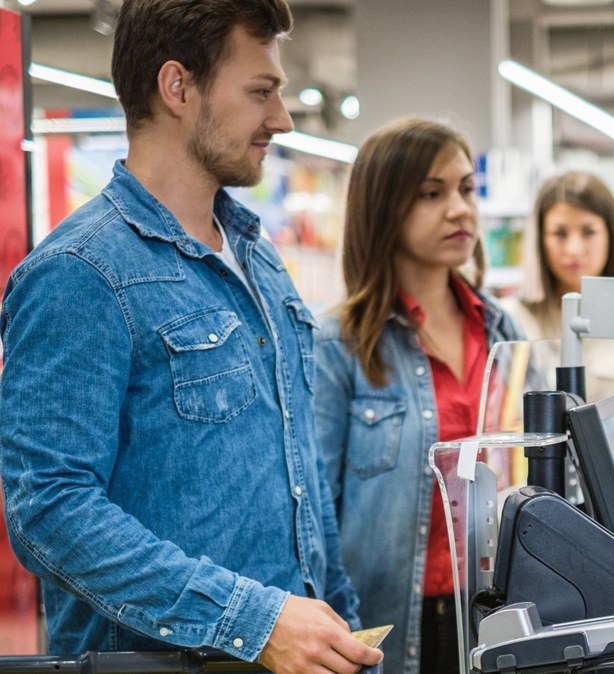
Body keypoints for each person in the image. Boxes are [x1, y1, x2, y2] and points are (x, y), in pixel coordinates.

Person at [0, 2, 382, 673]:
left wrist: (340, 628)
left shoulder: (258, 259)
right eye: (260, 92)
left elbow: (304, 481)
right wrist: (254, 622)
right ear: (177, 87)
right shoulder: (80, 275)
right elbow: (50, 508)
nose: (282, 120)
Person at [313, 118, 524, 674]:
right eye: (432, 194)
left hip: (498, 611)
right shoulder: (338, 345)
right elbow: (312, 518)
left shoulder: (504, 332)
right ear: (384, 207)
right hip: (387, 626)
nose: (459, 209)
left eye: (465, 189)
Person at [501, 171, 614, 426]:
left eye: (589, 232)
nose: (574, 249)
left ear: (611, 235)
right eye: (559, 233)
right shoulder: (511, 320)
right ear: (540, 240)